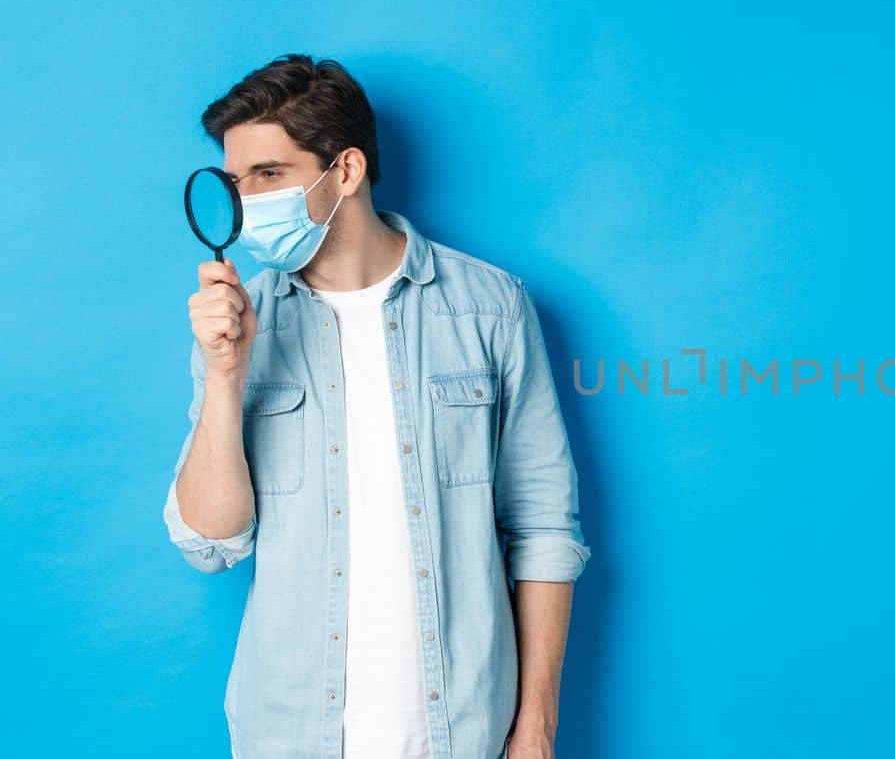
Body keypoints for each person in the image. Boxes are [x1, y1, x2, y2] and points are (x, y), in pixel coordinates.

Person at [163, 53, 590, 759]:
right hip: (289, 735)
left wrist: (535, 728)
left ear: (347, 171)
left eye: (269, 175)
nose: (248, 202)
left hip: (461, 730)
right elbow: (211, 543)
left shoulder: (493, 309)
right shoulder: (236, 325)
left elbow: (544, 526)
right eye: (236, 183)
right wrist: (223, 376)